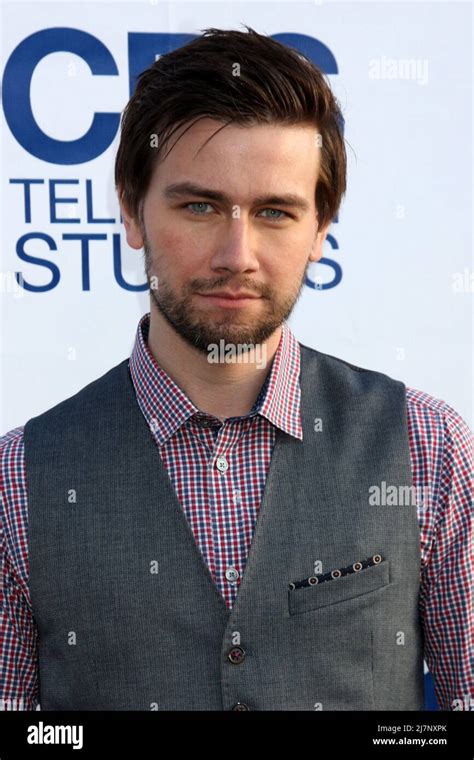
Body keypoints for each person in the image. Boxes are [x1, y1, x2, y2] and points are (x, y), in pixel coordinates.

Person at [1, 26, 472, 712]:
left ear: (319, 230)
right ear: (130, 207)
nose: (237, 254)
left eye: (275, 212)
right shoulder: (18, 481)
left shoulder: (428, 449)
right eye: (199, 205)